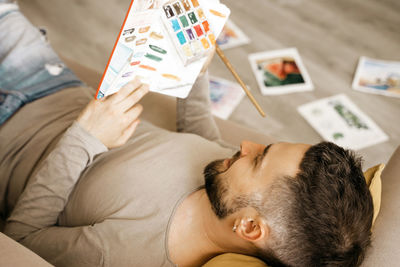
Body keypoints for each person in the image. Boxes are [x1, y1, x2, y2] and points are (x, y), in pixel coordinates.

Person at [0, 2, 374, 267]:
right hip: (51, 81)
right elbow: (200, 137)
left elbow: (21, 239)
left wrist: (85, 138)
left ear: (249, 226)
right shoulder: (228, 185)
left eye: (257, 158)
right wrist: (197, 73)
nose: (245, 145)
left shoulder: (121, 254)